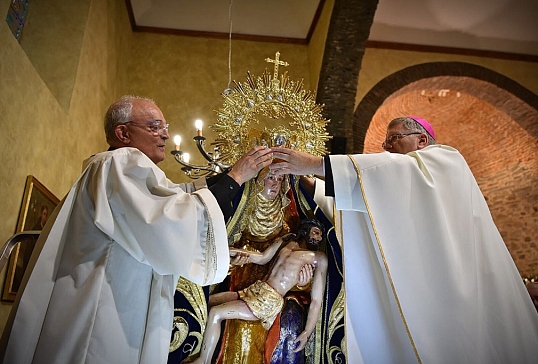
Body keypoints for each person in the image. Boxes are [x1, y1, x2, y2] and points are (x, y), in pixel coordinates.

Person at [0, 95, 274, 364]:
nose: (165, 135)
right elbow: (170, 220)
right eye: (155, 126)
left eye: (164, 127)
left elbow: (178, 199)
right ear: (123, 133)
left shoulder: (115, 168)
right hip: (106, 309)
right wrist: (236, 178)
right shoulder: (119, 163)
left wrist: (229, 177)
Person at [269, 116, 538, 363]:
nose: (386, 148)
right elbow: (363, 200)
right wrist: (306, 181)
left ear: (422, 139)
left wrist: (315, 164)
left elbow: (386, 173)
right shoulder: (398, 180)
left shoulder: (447, 160)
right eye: (384, 142)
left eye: (394, 139)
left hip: (455, 289)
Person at [190, 219, 328, 364]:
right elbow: (262, 258)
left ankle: (203, 360)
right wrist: (233, 252)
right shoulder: (288, 243)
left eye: (320, 236)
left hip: (268, 300)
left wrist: (307, 331)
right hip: (255, 289)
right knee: (207, 302)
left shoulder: (318, 259)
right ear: (305, 230)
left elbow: (316, 301)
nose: (318, 238)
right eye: (316, 232)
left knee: (216, 313)